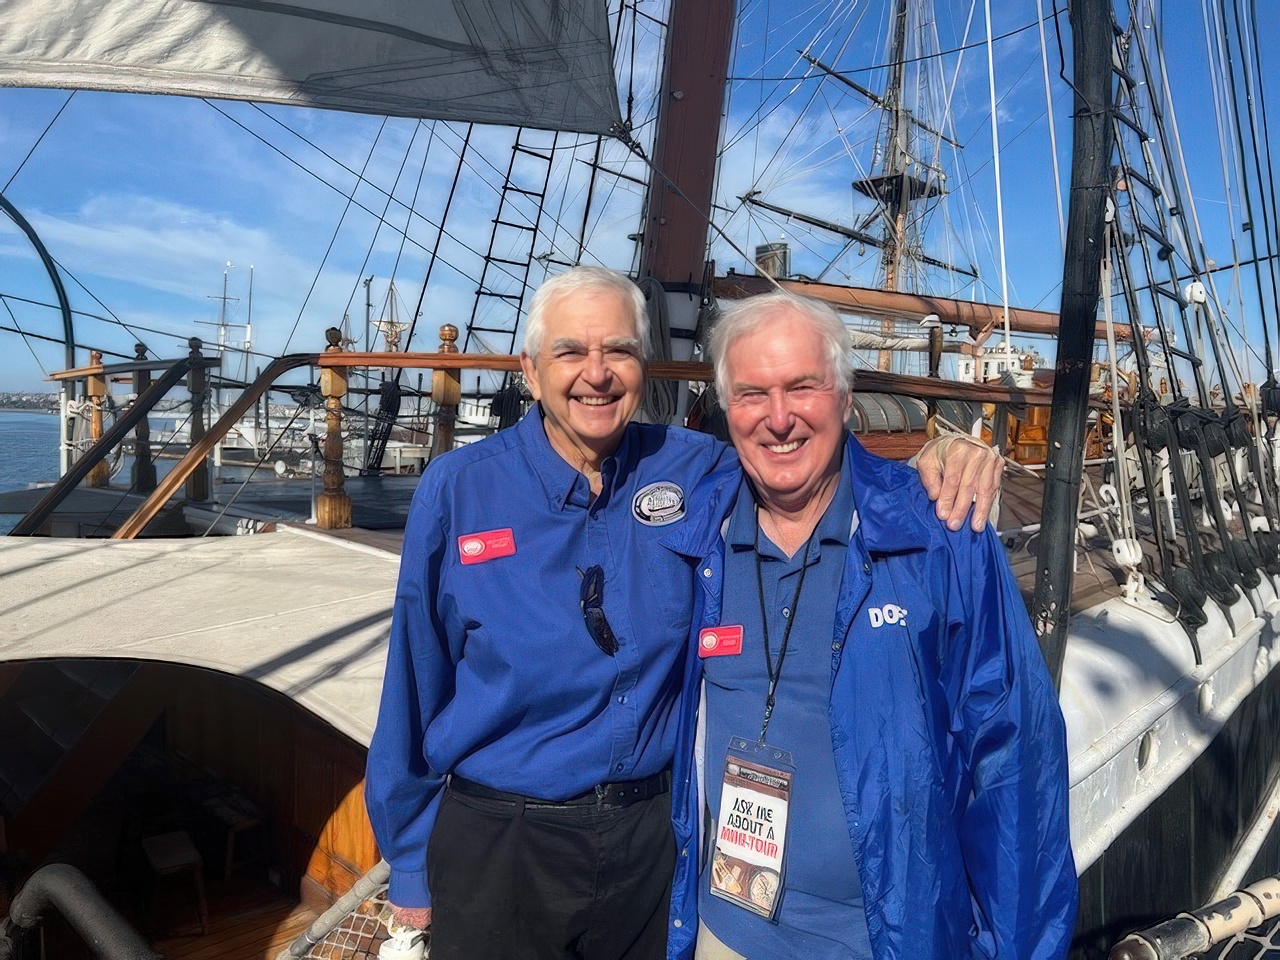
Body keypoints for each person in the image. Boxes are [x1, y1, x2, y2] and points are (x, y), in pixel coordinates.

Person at [365, 267, 1006, 960]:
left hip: (650, 847)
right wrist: (407, 860)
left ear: (643, 365)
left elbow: (800, 448)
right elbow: (413, 680)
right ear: (529, 368)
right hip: (502, 843)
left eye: (619, 351)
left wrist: (939, 455)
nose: (597, 374)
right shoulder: (459, 490)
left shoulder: (699, 468)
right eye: (571, 352)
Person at [661, 292, 1076, 960]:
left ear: (845, 396)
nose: (778, 417)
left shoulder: (938, 533)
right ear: (724, 409)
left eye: (802, 386)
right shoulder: (695, 535)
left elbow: (1015, 764)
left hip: (887, 940)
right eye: (751, 394)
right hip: (726, 932)